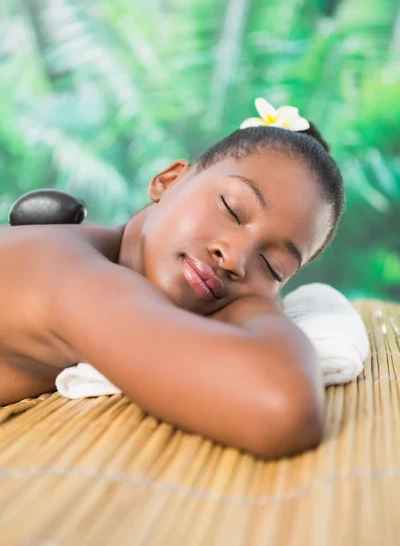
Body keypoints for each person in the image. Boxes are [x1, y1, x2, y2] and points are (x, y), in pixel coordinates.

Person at [0, 98, 345, 460]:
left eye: (273, 265)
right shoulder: (69, 273)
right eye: (231, 209)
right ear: (169, 180)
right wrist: (257, 304)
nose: (234, 258)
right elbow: (283, 408)